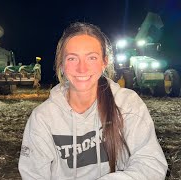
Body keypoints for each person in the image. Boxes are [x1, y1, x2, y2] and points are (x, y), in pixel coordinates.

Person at [18, 22, 168, 179]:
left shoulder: (127, 104)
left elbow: (150, 163)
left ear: (104, 62)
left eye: (91, 58)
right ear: (61, 65)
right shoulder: (43, 118)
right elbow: (33, 174)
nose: (82, 69)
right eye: (72, 58)